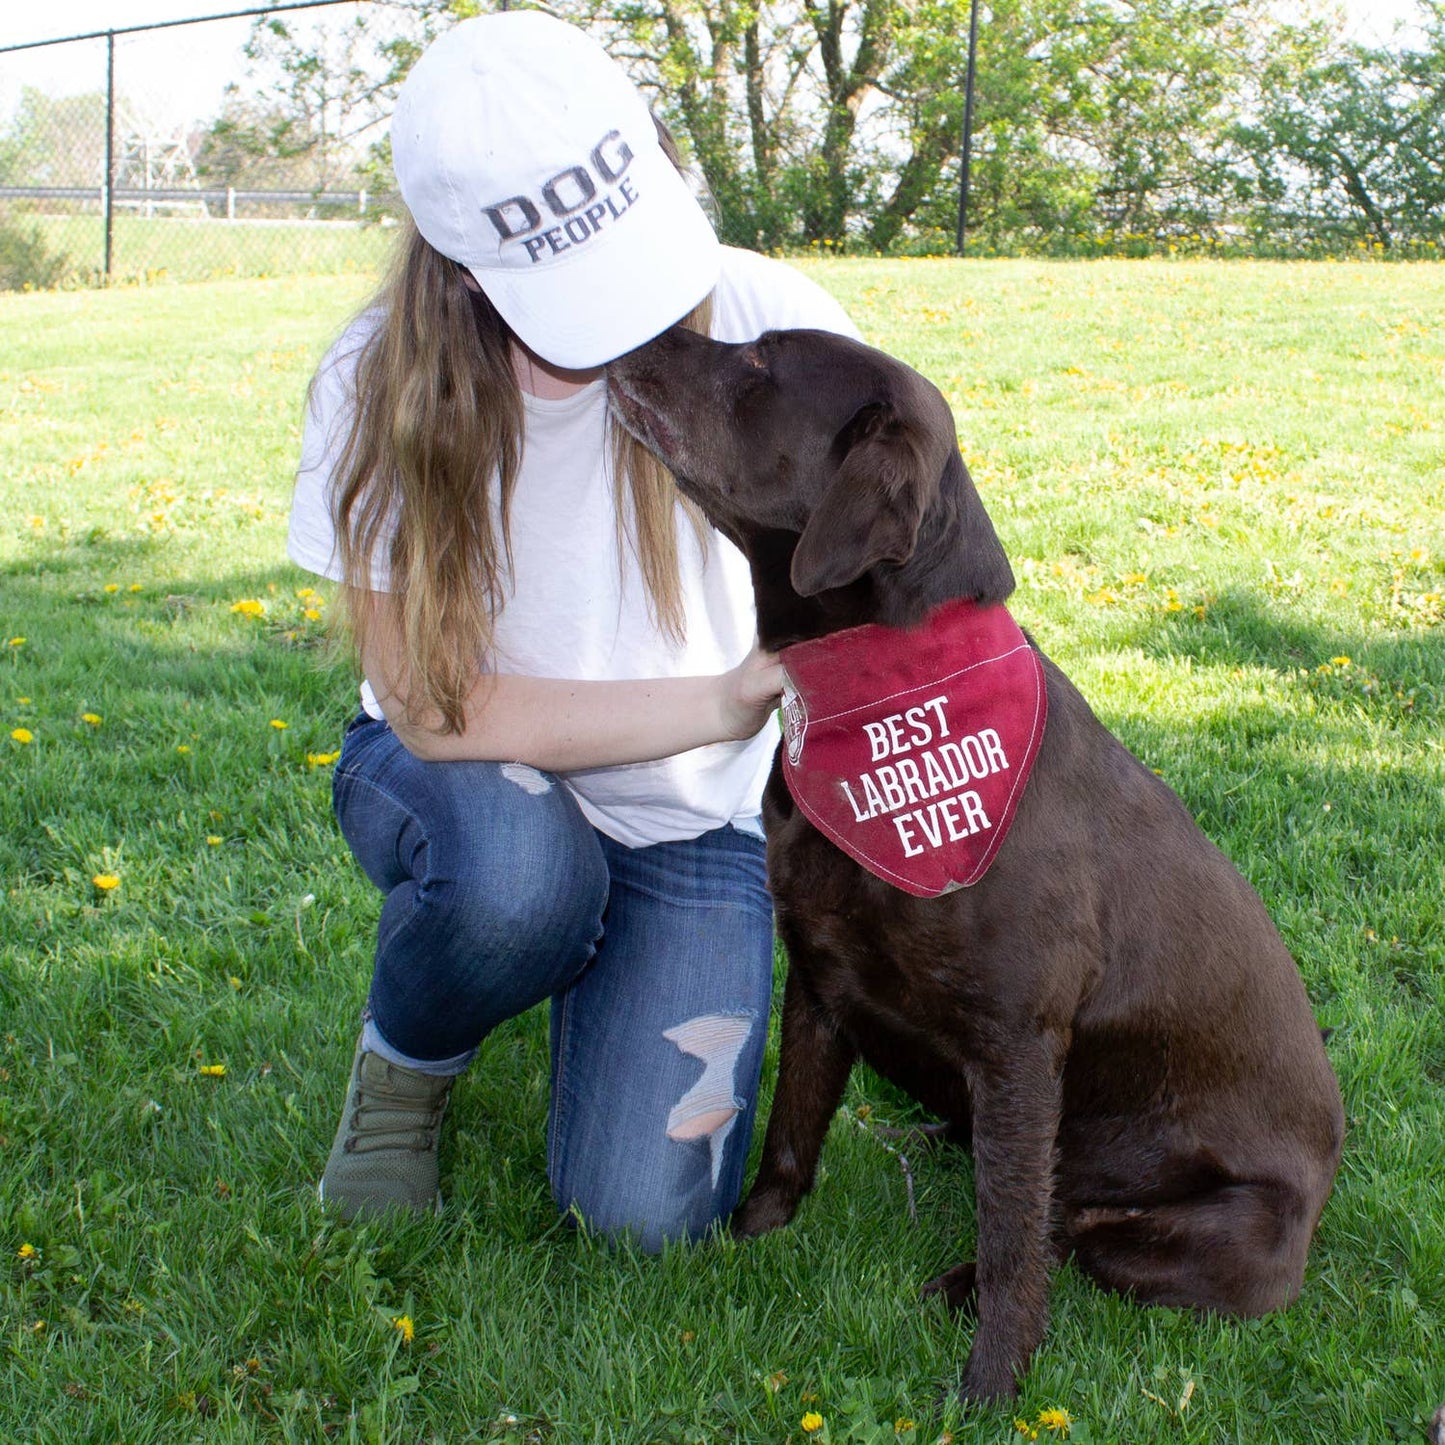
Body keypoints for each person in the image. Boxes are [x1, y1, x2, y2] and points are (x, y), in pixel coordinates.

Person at [287, 9, 859, 1250]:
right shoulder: (372, 380)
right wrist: (720, 698)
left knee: (641, 1224)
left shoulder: (770, 316)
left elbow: (890, 546)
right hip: (462, 781)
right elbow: (437, 709)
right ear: (462, 268)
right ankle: (408, 1061)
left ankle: (605, 961)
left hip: (689, 814)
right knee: (521, 881)